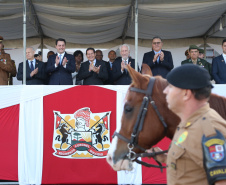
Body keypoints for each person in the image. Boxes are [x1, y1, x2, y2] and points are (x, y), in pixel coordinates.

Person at [147, 64, 226, 185]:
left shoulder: (210, 129)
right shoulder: (189, 123)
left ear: (186, 94)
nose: (165, 91)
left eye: (170, 86)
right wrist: (163, 158)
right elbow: (192, 165)